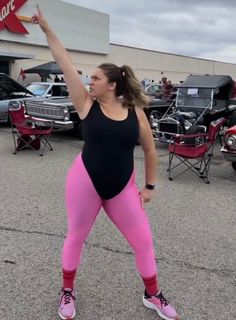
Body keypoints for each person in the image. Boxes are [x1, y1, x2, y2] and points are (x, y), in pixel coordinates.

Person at [32, 6, 178, 320]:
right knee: (76, 237)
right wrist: (46, 29)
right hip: (85, 181)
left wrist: (149, 186)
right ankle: (67, 291)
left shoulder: (135, 112)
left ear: (112, 84)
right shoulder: (85, 104)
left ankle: (152, 294)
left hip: (122, 187)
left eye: (95, 77)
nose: (89, 80)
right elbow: (64, 61)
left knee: (144, 242)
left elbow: (151, 152)